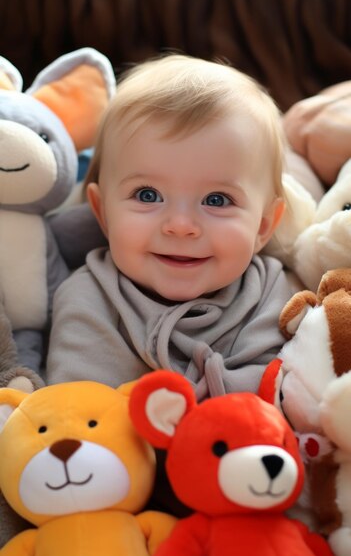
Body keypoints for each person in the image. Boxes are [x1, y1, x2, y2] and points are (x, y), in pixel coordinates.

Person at [46, 54, 297, 514]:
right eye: (147, 196)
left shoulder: (277, 293)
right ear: (102, 212)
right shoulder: (92, 296)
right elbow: (85, 417)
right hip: (136, 513)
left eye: (217, 200)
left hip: (259, 505)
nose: (180, 225)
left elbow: (290, 400)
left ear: (264, 226)